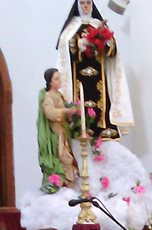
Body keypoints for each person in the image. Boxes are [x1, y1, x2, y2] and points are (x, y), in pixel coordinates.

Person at [55, 0, 133, 140]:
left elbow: (112, 50)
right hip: (79, 80)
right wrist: (80, 44)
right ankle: (80, 128)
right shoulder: (71, 28)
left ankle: (102, 129)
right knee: (80, 108)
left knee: (102, 107)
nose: (85, 6)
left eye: (88, 3)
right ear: (78, 5)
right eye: (83, 3)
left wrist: (104, 42)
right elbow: (65, 49)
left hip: (99, 79)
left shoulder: (98, 25)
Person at [37, 68, 79, 189]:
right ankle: (61, 185)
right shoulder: (48, 96)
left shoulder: (59, 95)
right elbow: (50, 113)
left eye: (59, 78)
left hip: (63, 132)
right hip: (55, 134)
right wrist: (66, 111)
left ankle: (68, 185)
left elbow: (66, 111)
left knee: (68, 158)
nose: (59, 81)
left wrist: (74, 113)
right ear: (49, 82)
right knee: (63, 158)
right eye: (56, 79)